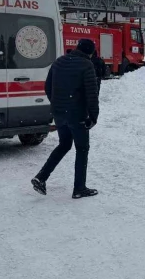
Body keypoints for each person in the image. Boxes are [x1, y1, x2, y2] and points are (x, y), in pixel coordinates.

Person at [31, 38, 100, 199]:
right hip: (77, 115)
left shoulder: (59, 62)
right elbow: (92, 94)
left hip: (59, 113)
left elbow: (48, 87)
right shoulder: (86, 65)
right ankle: (79, 188)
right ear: (90, 52)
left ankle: (41, 177)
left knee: (64, 144)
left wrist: (58, 105)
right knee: (82, 149)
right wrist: (93, 116)